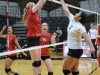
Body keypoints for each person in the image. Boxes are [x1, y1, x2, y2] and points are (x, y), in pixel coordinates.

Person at [59, 0, 95, 75]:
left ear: (79, 18)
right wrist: (61, 1)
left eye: (78, 13)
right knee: (75, 72)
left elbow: (87, 37)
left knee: (66, 70)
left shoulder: (80, 27)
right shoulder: (72, 19)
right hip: (73, 49)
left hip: (75, 50)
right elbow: (66, 9)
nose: (76, 13)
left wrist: (92, 47)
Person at [22, 0, 47, 75]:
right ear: (30, 7)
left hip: (37, 38)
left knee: (39, 61)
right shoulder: (31, 11)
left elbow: (41, 4)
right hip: (32, 38)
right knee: (35, 62)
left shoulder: (36, 13)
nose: (36, 5)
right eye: (34, 4)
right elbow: (39, 3)